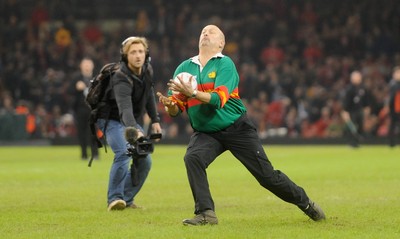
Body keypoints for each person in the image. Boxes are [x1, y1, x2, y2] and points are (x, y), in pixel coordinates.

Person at [157, 25, 325, 225]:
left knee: (267, 177)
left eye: (212, 32)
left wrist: (192, 93)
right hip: (207, 132)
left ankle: (305, 203)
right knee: (193, 158)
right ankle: (206, 214)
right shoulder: (184, 68)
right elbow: (176, 109)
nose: (205, 33)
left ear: (221, 43)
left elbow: (219, 99)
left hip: (237, 128)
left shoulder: (225, 64)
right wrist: (170, 106)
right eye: (203, 31)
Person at [96, 36, 162, 211]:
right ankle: (114, 198)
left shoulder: (147, 70)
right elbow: (124, 108)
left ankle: (126, 199)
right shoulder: (120, 77)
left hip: (129, 120)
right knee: (124, 152)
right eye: (133, 52)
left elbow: (149, 95)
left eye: (141, 51)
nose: (138, 55)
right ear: (126, 56)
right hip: (111, 119)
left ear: (146, 54)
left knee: (145, 160)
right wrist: (135, 131)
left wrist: (155, 119)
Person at [70, 57, 99, 160]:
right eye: (85, 64)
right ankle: (84, 154)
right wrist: (76, 87)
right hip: (80, 109)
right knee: (81, 132)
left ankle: (95, 154)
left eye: (88, 64)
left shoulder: (97, 78)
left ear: (92, 66)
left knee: (93, 132)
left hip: (93, 109)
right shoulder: (76, 78)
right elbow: (69, 92)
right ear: (81, 66)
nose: (87, 66)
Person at [340, 71, 371, 148]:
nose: (357, 79)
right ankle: (351, 143)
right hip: (351, 111)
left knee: (360, 126)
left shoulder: (363, 88)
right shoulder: (349, 89)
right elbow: (345, 102)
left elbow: (366, 100)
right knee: (352, 127)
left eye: (358, 77)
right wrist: (344, 112)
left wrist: (367, 108)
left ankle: (357, 142)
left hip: (360, 110)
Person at [388, 66, 400, 147]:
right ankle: (392, 143)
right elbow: (391, 98)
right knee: (393, 124)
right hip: (395, 108)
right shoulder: (393, 84)